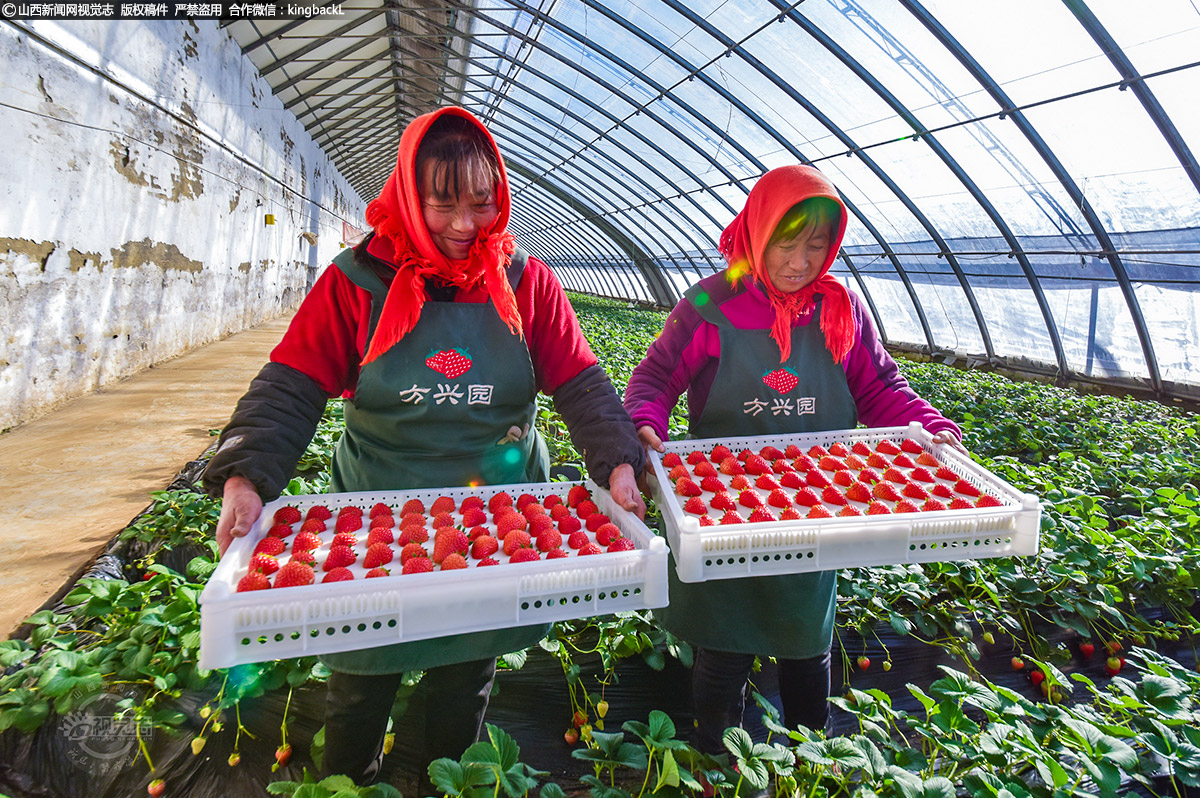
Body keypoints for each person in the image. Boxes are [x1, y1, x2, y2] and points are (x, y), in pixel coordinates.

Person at [203, 105, 646, 786]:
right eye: (443, 204)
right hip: (376, 514)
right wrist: (246, 476)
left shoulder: (527, 283)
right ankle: (351, 776)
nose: (465, 225)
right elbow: (291, 385)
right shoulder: (356, 283)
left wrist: (617, 460)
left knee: (464, 675)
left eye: (481, 202)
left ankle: (444, 776)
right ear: (410, 196)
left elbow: (581, 382)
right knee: (359, 678)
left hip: (494, 524)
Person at [623, 165, 962, 756]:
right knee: (722, 649)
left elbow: (880, 387)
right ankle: (716, 757)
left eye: (816, 246)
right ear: (756, 232)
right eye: (787, 242)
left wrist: (929, 428)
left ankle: (811, 757)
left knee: (807, 643)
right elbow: (655, 376)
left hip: (809, 505)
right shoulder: (710, 301)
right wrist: (646, 424)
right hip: (721, 503)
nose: (801, 262)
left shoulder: (839, 309)